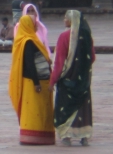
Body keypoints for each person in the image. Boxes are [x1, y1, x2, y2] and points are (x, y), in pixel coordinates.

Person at [50, 10, 95, 146]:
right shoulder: (87, 36)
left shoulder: (64, 37)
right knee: (82, 106)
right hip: (83, 80)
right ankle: (84, 137)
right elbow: (92, 57)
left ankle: (66, 136)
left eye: (66, 18)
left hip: (67, 80)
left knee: (66, 106)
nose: (64, 19)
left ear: (72, 21)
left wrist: (53, 80)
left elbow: (59, 62)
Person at [9, 14, 55, 145]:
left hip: (38, 80)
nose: (35, 25)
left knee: (39, 110)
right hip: (33, 82)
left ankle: (40, 136)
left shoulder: (29, 39)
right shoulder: (28, 42)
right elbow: (29, 64)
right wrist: (36, 82)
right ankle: (35, 136)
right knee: (36, 111)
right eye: (33, 23)